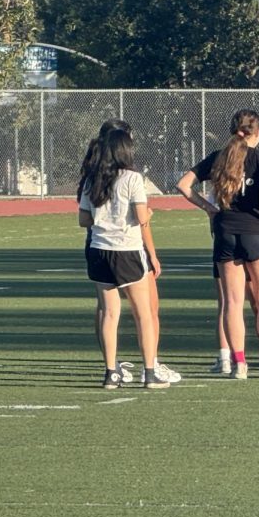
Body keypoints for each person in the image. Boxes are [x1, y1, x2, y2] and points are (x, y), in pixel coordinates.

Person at [177, 109, 259, 379]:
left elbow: (183, 185)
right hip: (257, 233)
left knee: (232, 302)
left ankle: (238, 364)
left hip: (225, 232)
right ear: (258, 133)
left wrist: (208, 208)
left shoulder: (218, 157)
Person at [77, 119, 181, 385]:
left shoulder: (92, 179)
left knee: (109, 314)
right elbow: (140, 215)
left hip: (99, 250)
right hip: (128, 251)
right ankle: (149, 372)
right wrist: (147, 217)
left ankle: (111, 373)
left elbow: (84, 220)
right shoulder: (133, 178)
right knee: (143, 313)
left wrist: (105, 218)